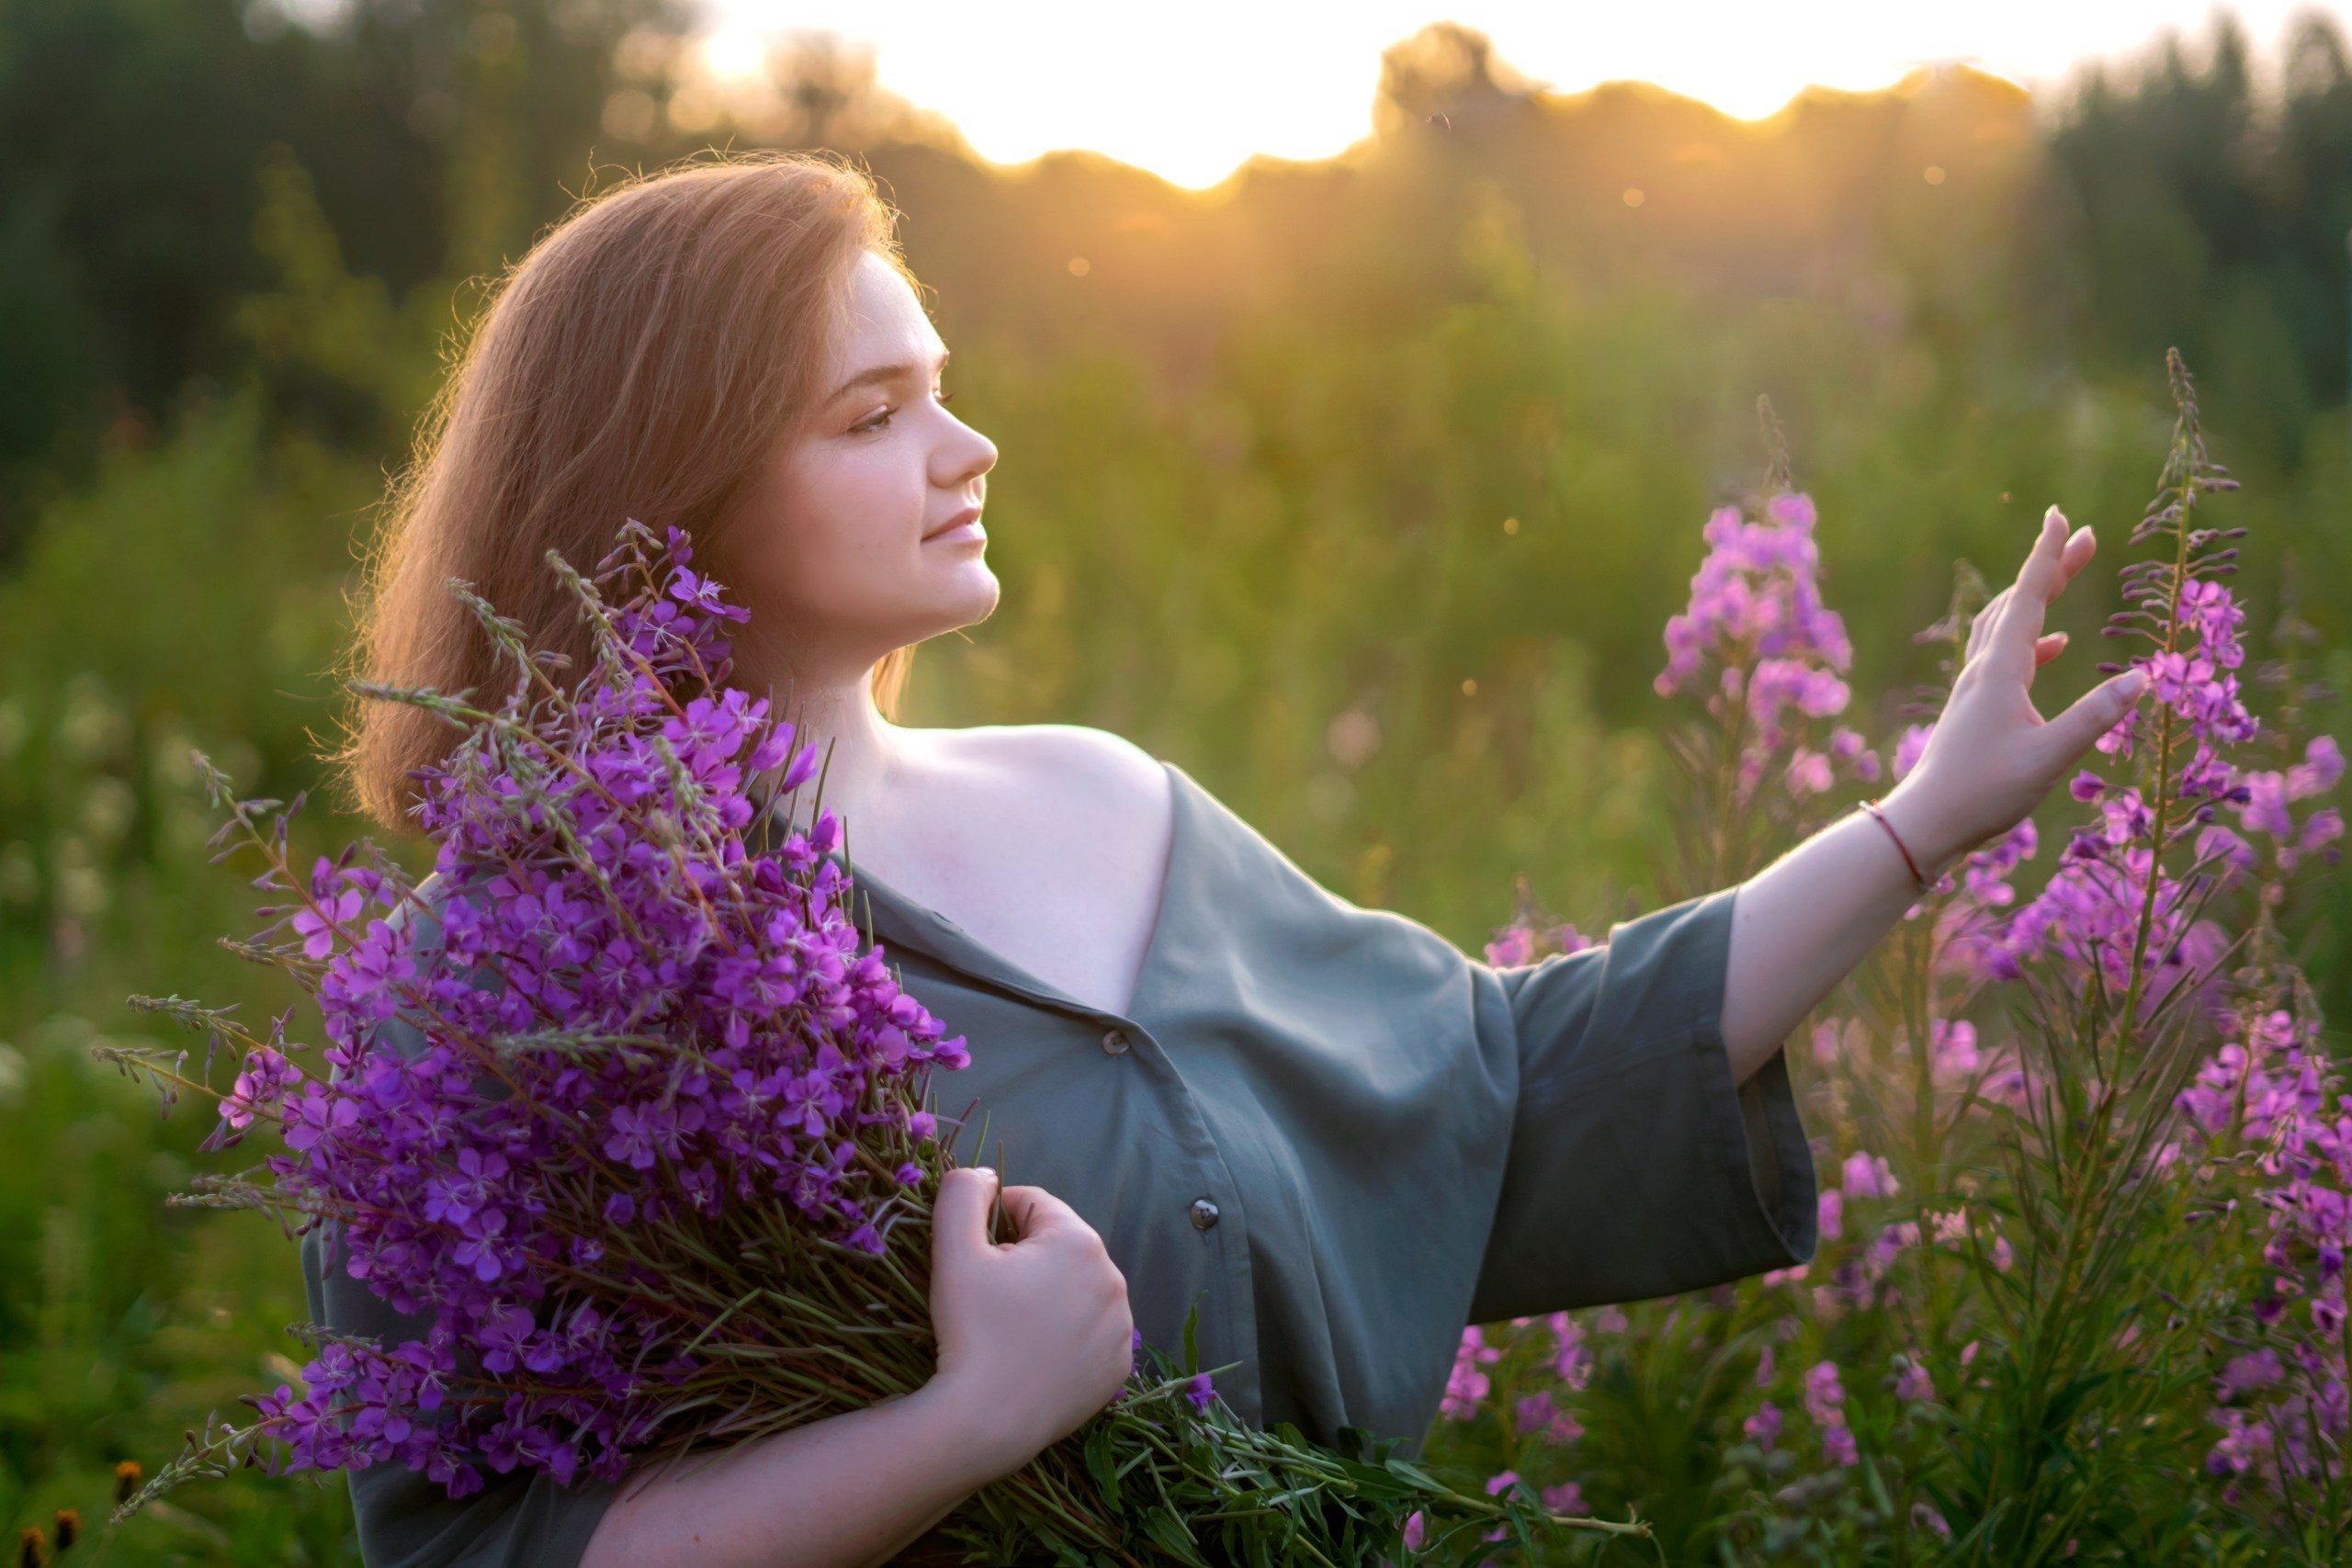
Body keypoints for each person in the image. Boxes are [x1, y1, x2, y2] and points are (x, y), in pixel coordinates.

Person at [319, 152, 2149, 1568]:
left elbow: (1490, 1084)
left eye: (938, 385)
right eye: (868, 415)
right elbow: (491, 1544)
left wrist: (1919, 818)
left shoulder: (1110, 808)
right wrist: (962, 1425)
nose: (966, 448)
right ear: (673, 486)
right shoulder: (509, 985)